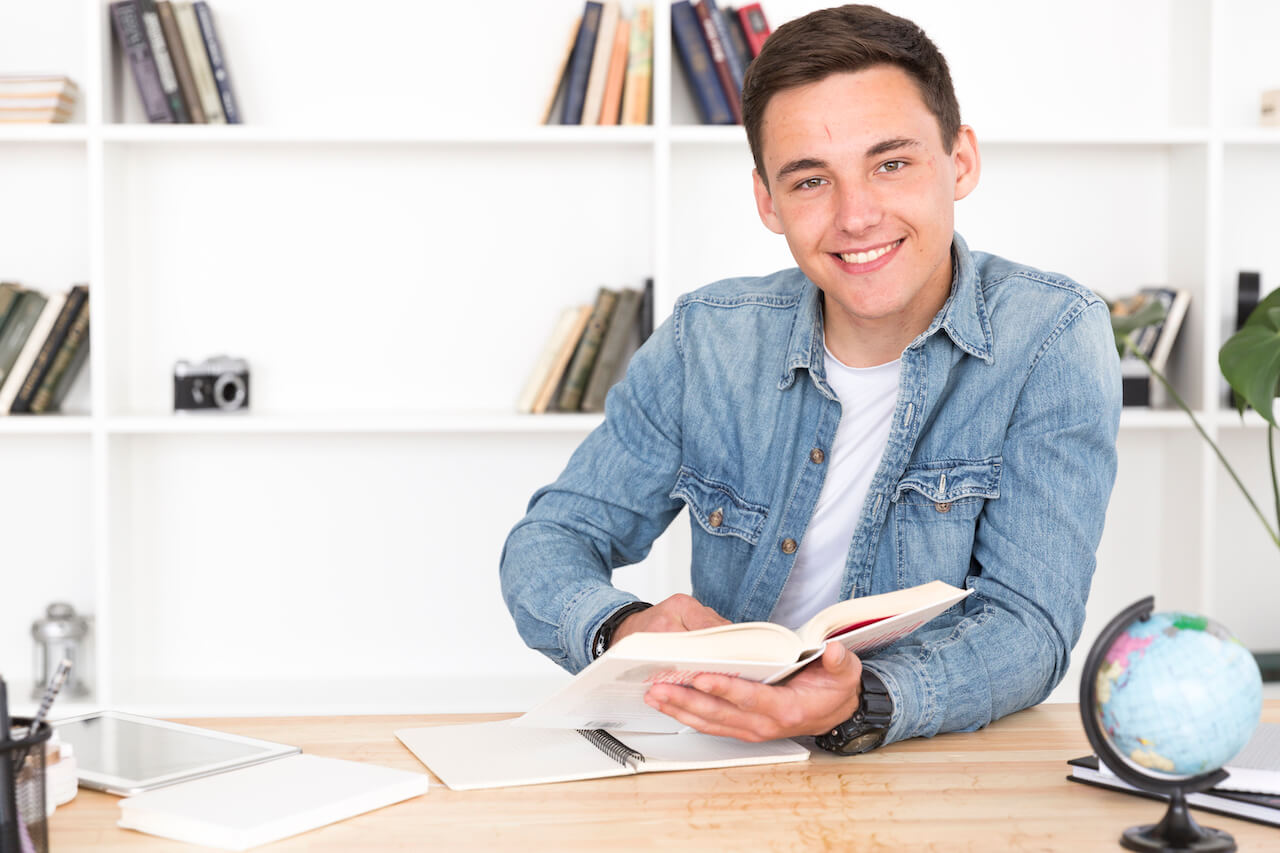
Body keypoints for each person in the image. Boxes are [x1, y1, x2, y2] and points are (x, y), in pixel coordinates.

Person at [500, 4, 1121, 755]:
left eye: (891, 163)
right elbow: (549, 540)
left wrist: (861, 697)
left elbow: (1032, 626)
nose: (856, 216)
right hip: (723, 757)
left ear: (960, 162)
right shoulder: (708, 340)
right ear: (767, 200)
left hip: (925, 762)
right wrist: (621, 627)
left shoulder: (1052, 337)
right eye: (809, 181)